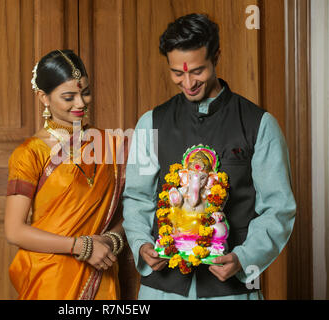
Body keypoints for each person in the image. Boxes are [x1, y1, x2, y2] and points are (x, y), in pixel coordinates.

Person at [122, 14, 296, 300]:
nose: (188, 82)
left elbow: (279, 208)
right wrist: (141, 244)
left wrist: (244, 257)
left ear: (216, 56)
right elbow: (137, 198)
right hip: (161, 289)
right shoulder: (150, 123)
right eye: (177, 73)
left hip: (232, 290)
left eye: (197, 71)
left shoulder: (259, 124)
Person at [5, 49, 127, 300]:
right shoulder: (30, 153)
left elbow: (133, 209)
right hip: (49, 278)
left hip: (100, 271)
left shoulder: (111, 145)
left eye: (85, 92)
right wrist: (81, 246)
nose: (81, 103)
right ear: (44, 98)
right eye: (69, 96)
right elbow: (14, 231)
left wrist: (112, 239)